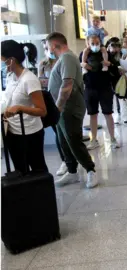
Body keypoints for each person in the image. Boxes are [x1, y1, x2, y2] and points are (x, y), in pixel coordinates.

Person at [45, 32, 98, 189]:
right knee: (63, 141)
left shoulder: (67, 57)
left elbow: (67, 85)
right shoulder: (62, 59)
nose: (48, 50)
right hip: (62, 110)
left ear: (54, 45)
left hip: (69, 109)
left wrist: (58, 108)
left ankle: (90, 170)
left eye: (48, 47)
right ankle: (72, 171)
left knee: (73, 141)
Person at [1, 40, 48, 174]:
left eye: (2, 60)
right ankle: (26, 195)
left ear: (11, 60)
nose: (1, 63)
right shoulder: (10, 76)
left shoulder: (29, 79)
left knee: (38, 168)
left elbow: (42, 111)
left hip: (30, 133)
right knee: (20, 170)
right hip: (12, 130)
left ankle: (42, 194)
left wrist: (20, 108)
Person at [80, 34, 119, 150]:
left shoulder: (105, 53)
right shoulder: (84, 54)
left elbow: (116, 68)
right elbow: (80, 68)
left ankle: (112, 139)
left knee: (108, 113)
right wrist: (84, 66)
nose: (95, 45)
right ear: (87, 43)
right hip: (90, 88)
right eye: (92, 43)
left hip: (105, 88)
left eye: (97, 43)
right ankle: (94, 139)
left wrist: (109, 64)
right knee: (92, 114)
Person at [39, 39, 68, 176]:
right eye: (45, 48)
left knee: (66, 132)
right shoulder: (43, 64)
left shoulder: (63, 61)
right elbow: (40, 82)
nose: (48, 51)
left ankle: (72, 158)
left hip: (63, 100)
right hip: (50, 101)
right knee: (58, 132)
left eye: (49, 47)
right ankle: (65, 161)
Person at [106, 37, 127, 125]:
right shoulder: (107, 54)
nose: (115, 48)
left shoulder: (123, 54)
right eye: (113, 46)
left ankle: (125, 116)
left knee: (121, 98)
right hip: (110, 79)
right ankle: (117, 115)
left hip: (120, 78)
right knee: (113, 99)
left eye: (117, 46)